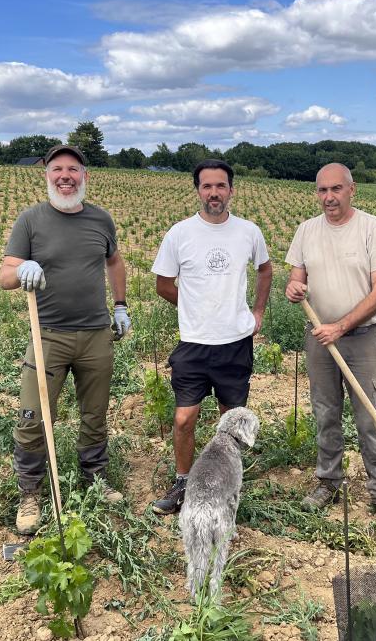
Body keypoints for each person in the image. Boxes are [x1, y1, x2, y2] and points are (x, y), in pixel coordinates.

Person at [0, 144, 130, 535]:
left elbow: (114, 261)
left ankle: (95, 480)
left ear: (84, 176)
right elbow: (3, 275)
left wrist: (120, 305)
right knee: (33, 417)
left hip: (95, 334)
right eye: (58, 169)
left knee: (95, 414)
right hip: (48, 336)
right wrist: (24, 269)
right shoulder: (31, 220)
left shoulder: (101, 220)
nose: (65, 176)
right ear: (47, 175)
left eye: (73, 169)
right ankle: (30, 493)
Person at [150, 159, 272, 515]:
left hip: (235, 343)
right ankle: (184, 482)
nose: (214, 193)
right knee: (184, 419)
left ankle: (228, 485)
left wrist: (258, 311)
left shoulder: (248, 231)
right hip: (194, 344)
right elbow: (162, 285)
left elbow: (265, 270)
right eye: (207, 186)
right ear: (198, 191)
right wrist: (194, 306)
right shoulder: (180, 234)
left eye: (221, 186)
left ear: (231, 191)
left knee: (229, 420)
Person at [284, 162, 376, 524]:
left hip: (362, 338)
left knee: (370, 418)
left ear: (352, 190)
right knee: (325, 413)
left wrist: (342, 326)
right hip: (320, 338)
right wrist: (294, 288)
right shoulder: (306, 231)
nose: (329, 197)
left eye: (336, 189)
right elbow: (295, 279)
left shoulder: (372, 228)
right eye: (322, 190)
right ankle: (329, 481)